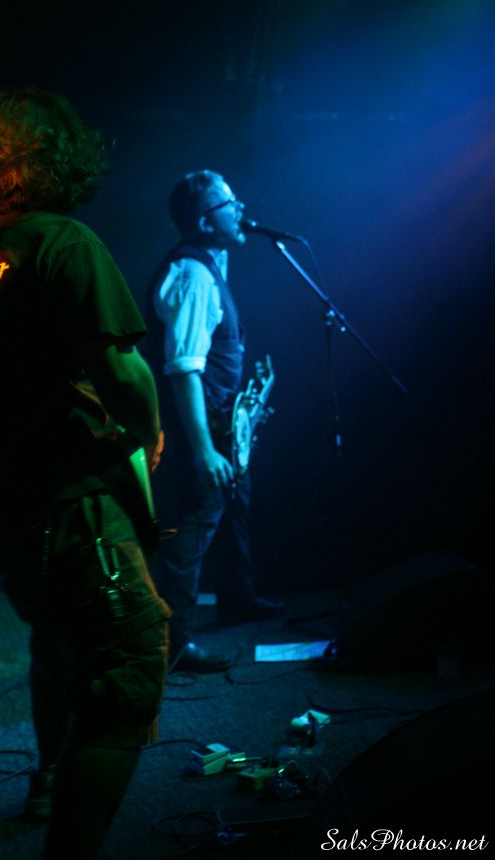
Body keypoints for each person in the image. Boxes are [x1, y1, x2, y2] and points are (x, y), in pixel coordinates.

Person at [0, 87, 169, 859]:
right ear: (47, 158)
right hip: (66, 494)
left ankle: (49, 779)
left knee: (55, 636)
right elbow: (121, 371)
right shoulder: (59, 240)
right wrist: (149, 432)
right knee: (126, 666)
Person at [148, 170, 284, 674]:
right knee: (191, 531)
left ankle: (238, 598)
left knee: (233, 507)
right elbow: (184, 369)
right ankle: (172, 644)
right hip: (200, 431)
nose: (241, 208)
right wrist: (204, 449)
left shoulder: (210, 265)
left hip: (223, 421)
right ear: (206, 221)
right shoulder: (192, 275)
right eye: (230, 203)